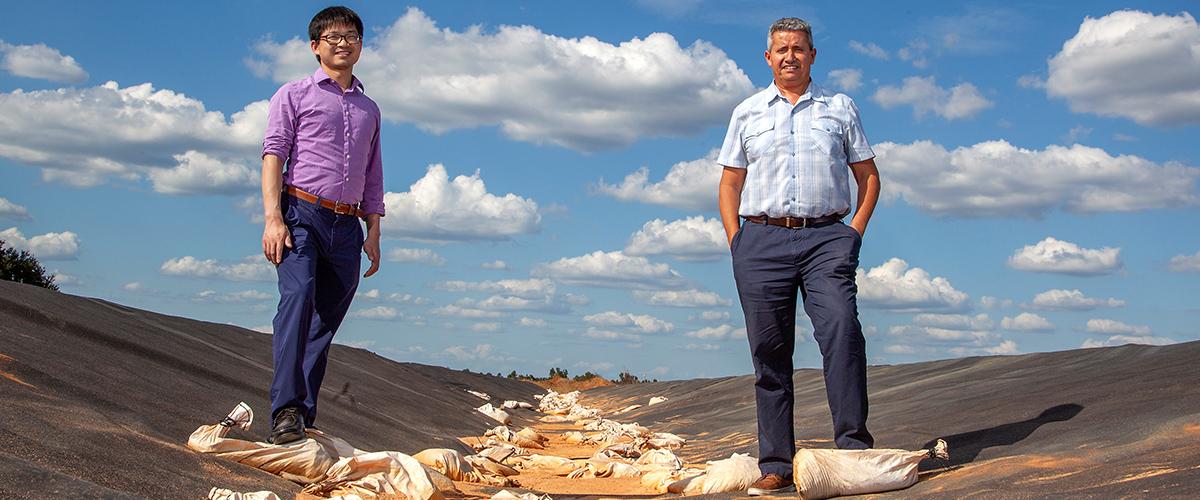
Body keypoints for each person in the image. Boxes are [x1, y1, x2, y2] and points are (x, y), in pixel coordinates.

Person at [717, 17, 881, 496]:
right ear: (767, 58)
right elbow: (730, 182)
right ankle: (776, 463)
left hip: (826, 237)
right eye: (782, 49)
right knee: (769, 353)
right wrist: (737, 240)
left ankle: (853, 450)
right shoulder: (747, 112)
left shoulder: (839, 108)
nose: (790, 56)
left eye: (800, 48)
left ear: (813, 56)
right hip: (761, 241)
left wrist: (852, 233)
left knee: (842, 332)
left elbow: (868, 177)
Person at [260, 5, 384, 445]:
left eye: (351, 36)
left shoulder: (370, 108)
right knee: (297, 299)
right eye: (333, 37)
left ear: (361, 45)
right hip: (301, 214)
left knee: (326, 320)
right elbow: (273, 154)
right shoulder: (293, 94)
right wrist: (273, 218)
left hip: (348, 226)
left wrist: (373, 230)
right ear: (315, 47)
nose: (343, 43)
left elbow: (373, 172)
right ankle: (285, 410)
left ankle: (304, 415)